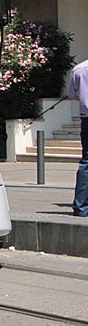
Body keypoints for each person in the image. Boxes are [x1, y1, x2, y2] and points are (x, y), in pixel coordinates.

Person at [68, 58, 88, 217]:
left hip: (86, 119)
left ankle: (81, 206)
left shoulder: (79, 69)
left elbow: (72, 95)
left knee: (86, 161)